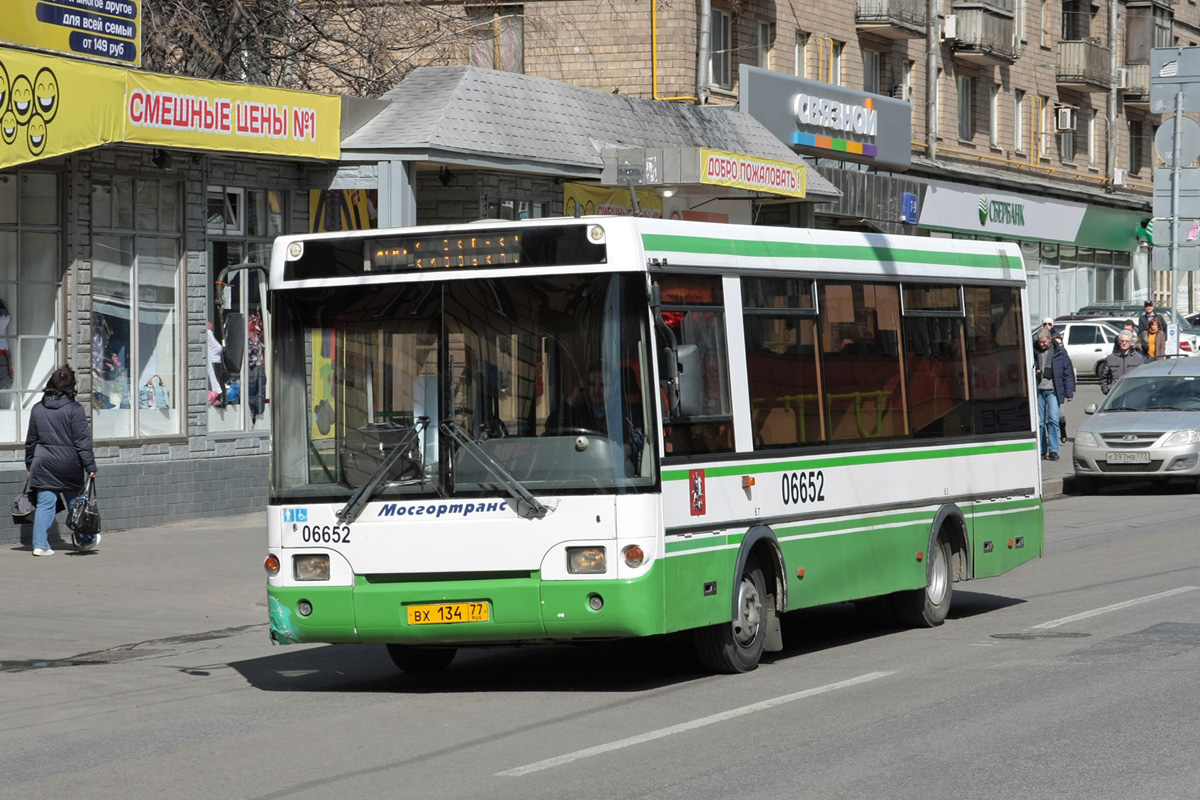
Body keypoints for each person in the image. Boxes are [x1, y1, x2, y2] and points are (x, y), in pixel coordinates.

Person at [24, 366, 98, 556]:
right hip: (69, 464)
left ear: (50, 384)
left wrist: (29, 464)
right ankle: (85, 540)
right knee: (77, 502)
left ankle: (40, 545)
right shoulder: (75, 410)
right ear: (72, 386)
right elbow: (83, 442)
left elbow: (31, 440)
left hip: (43, 463)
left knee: (45, 504)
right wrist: (90, 465)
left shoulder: (37, 409)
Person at [546, 363, 645, 462]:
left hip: (616, 471)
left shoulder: (626, 412)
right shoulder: (578, 412)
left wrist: (628, 448)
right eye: (592, 384)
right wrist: (572, 398)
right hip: (581, 468)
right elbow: (551, 428)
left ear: (614, 387)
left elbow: (641, 436)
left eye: (602, 384)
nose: (597, 390)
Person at [1033, 329, 1074, 461]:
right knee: (1039, 423)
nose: (1041, 345)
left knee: (1053, 420)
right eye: (1040, 342)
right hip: (1039, 390)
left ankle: (1054, 450)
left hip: (1053, 390)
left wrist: (1069, 392)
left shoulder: (1060, 352)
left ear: (1049, 339)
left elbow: (1067, 373)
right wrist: (1036, 370)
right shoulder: (1034, 350)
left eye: (1044, 342)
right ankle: (1042, 450)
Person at [206, 321, 226, 406]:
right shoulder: (207, 333)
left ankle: (219, 398)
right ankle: (217, 398)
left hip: (216, 362)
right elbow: (217, 347)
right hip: (213, 362)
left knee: (218, 380)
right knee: (216, 381)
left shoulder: (208, 333)